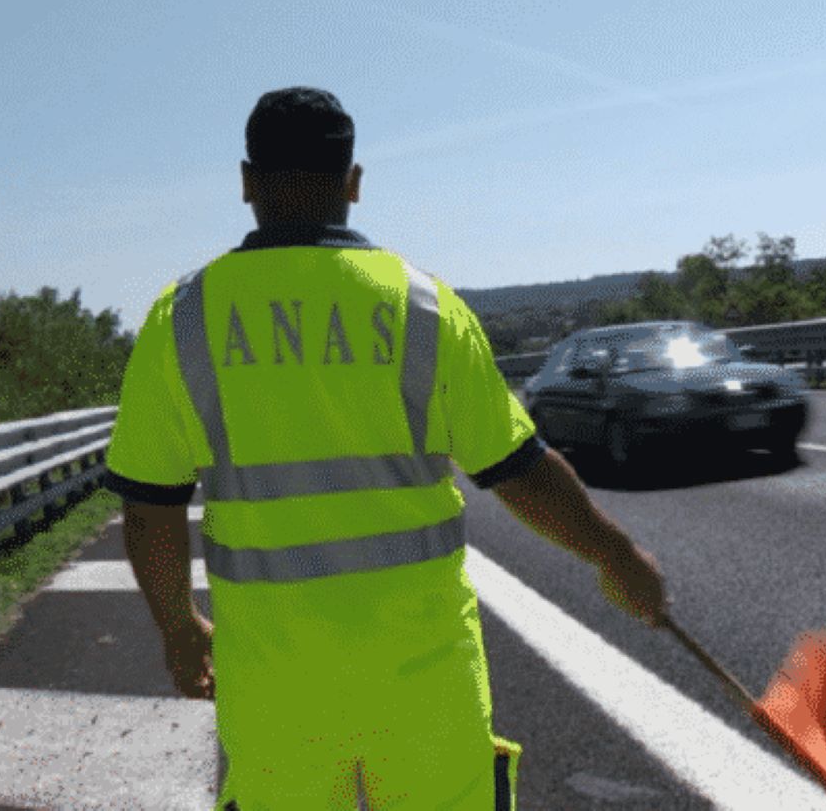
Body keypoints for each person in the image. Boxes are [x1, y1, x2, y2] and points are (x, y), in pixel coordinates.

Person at [102, 86, 668, 811]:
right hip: (425, 679)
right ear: (354, 183)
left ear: (246, 182)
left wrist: (179, 629)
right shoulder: (424, 307)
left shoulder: (182, 320)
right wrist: (613, 554)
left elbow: (150, 510)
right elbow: (520, 471)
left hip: (277, 688)